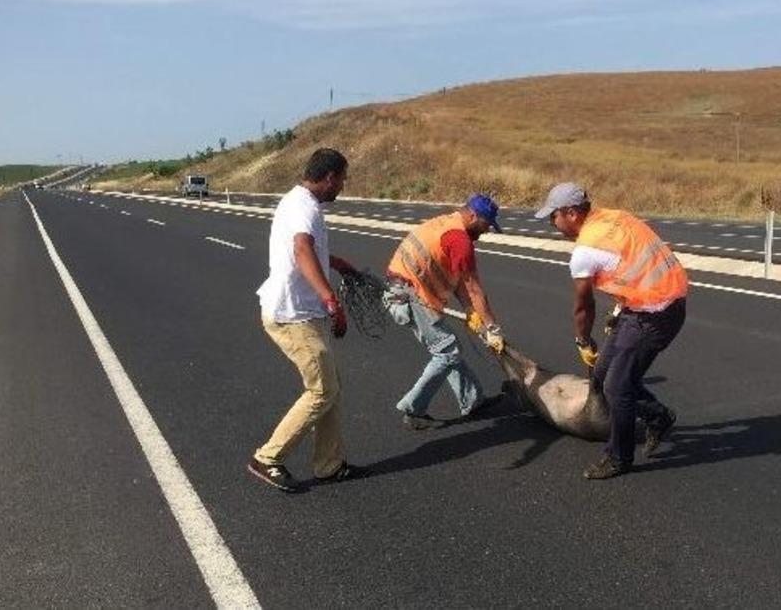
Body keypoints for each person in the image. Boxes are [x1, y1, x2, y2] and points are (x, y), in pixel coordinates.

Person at [535, 182, 688, 480]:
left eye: (554, 216)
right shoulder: (615, 217)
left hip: (657, 313)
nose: (553, 223)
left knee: (616, 387)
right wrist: (620, 309)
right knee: (603, 374)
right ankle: (659, 416)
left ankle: (619, 457)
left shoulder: (585, 250)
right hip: (646, 304)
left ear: (571, 213)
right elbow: (631, 263)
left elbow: (583, 307)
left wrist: (582, 340)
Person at [247, 148, 370, 492]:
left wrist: (338, 263)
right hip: (292, 314)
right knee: (322, 389)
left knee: (331, 388)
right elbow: (302, 249)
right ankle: (267, 457)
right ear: (329, 177)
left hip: (304, 312)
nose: (342, 187)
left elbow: (308, 251)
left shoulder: (298, 201)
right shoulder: (305, 207)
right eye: (342, 179)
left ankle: (328, 465)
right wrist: (332, 300)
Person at [384, 194, 507, 430]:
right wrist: (493, 328)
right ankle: (413, 409)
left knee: (448, 347)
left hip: (406, 289)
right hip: (408, 294)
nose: (486, 231)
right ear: (473, 216)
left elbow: (460, 281)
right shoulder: (460, 240)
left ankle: (472, 400)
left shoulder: (449, 222)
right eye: (485, 224)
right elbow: (474, 288)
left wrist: (471, 311)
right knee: (446, 351)